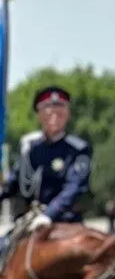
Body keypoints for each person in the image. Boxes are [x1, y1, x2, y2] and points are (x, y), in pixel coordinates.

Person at [0, 85, 93, 229]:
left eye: (60, 114)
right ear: (40, 115)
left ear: (68, 115)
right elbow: (13, 182)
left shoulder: (78, 149)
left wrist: (49, 214)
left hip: (65, 221)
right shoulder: (30, 147)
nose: (54, 118)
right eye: (49, 113)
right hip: (30, 220)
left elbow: (75, 186)